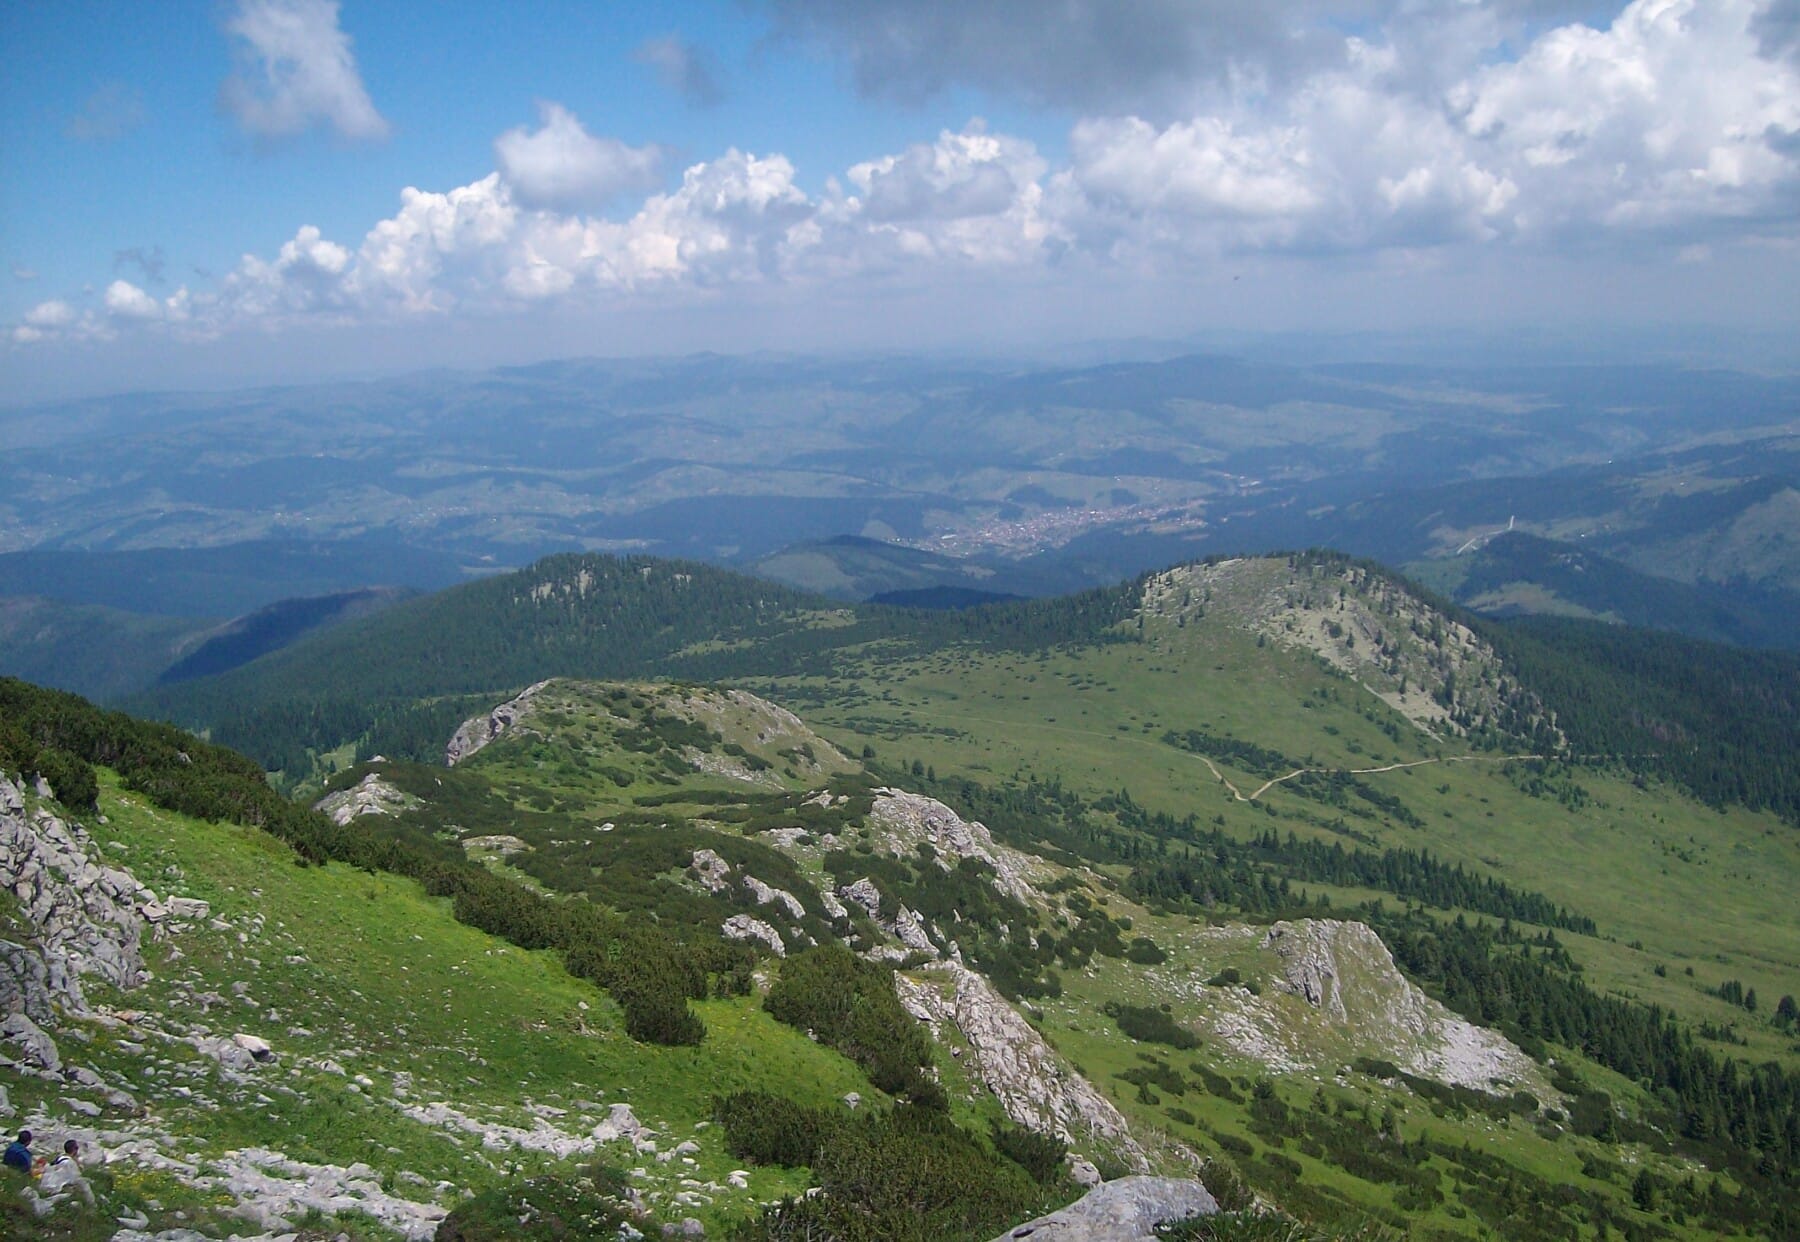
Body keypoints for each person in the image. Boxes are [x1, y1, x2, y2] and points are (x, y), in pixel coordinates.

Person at [37, 1139, 95, 1207]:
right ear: (74, 1150)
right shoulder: (70, 1163)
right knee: (84, 1184)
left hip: (46, 1185)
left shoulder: (59, 1158)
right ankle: (92, 1205)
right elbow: (76, 1179)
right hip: (56, 1188)